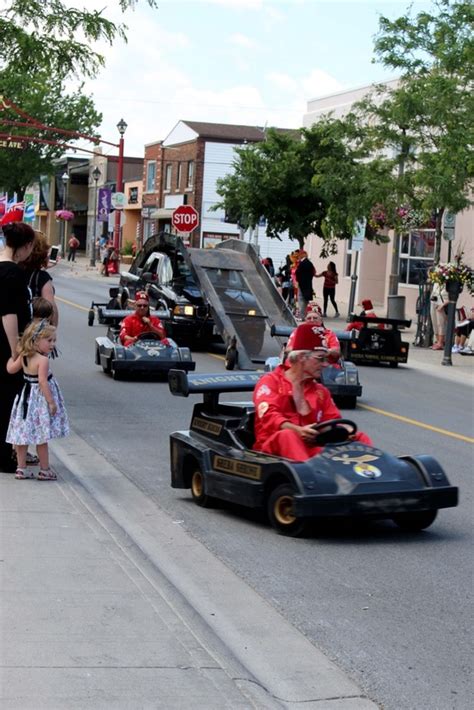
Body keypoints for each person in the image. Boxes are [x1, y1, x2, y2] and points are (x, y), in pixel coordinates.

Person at [253, 322, 372, 461]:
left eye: (326, 359)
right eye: (320, 358)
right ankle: (311, 478)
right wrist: (297, 430)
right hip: (271, 455)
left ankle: (379, 477)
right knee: (288, 435)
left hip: (311, 449)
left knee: (359, 436)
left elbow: (333, 420)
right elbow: (269, 417)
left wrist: (346, 431)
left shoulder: (321, 392)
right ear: (301, 357)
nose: (325, 364)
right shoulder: (270, 382)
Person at [6, 320, 69, 480]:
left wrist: (12, 355)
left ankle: (21, 468)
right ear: (35, 340)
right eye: (49, 341)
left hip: (24, 400)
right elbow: (42, 382)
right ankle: (45, 469)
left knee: (22, 435)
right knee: (41, 437)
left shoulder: (25, 356)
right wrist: (51, 402)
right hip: (39, 402)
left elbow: (11, 369)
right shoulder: (43, 360)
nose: (53, 344)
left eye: (54, 340)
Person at [0, 221, 35, 473]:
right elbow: (8, 314)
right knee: (7, 401)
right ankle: (4, 457)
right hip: (5, 344)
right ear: (24, 246)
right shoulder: (12, 273)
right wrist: (15, 350)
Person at [22, 231, 59, 326]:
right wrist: (52, 329)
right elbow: (51, 309)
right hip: (31, 331)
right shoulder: (42, 277)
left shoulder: (11, 270)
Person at [295, 250, 315, 318]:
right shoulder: (310, 263)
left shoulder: (302, 263)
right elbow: (312, 273)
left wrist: (298, 280)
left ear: (303, 255)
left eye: (300, 255)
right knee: (305, 299)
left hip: (302, 283)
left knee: (301, 299)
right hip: (308, 283)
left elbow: (298, 272)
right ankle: (304, 314)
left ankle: (302, 315)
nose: (298, 256)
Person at [430, 281, 449, 350]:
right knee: (434, 322)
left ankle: (441, 342)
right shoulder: (436, 279)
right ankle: (438, 341)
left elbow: (452, 297)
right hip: (434, 301)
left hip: (442, 303)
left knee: (440, 323)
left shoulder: (449, 280)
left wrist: (443, 305)